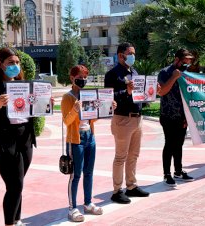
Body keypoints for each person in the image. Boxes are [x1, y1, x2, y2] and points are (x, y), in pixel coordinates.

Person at [0, 47, 49, 226]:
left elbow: (32, 109)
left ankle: (17, 220)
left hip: (25, 138)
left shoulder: (23, 84)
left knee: (17, 184)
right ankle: (10, 223)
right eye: (11, 63)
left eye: (17, 63)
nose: (15, 66)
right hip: (5, 140)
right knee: (15, 185)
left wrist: (44, 103)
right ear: (0, 64)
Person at [104, 42, 150, 204]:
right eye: (130, 53)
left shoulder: (134, 72)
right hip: (122, 119)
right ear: (120, 55)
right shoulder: (112, 74)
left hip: (137, 118)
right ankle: (117, 191)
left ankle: (131, 186)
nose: (133, 56)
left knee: (134, 155)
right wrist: (126, 91)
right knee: (120, 156)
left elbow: (139, 93)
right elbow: (108, 97)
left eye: (134, 53)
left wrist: (150, 93)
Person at [61, 65, 108, 222]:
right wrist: (75, 110)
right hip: (76, 139)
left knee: (89, 172)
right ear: (72, 78)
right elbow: (67, 121)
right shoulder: (67, 97)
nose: (82, 80)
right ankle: (72, 208)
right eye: (79, 77)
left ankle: (88, 203)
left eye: (85, 77)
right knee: (76, 175)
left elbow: (91, 118)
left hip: (90, 137)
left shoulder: (88, 94)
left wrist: (105, 109)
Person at [158, 49, 195, 187]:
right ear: (177, 59)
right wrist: (174, 77)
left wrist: (187, 116)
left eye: (189, 61)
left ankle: (178, 171)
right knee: (169, 144)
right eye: (185, 61)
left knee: (179, 144)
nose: (187, 64)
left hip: (182, 115)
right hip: (168, 115)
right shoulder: (165, 72)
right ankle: (166, 174)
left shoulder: (186, 74)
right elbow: (162, 91)